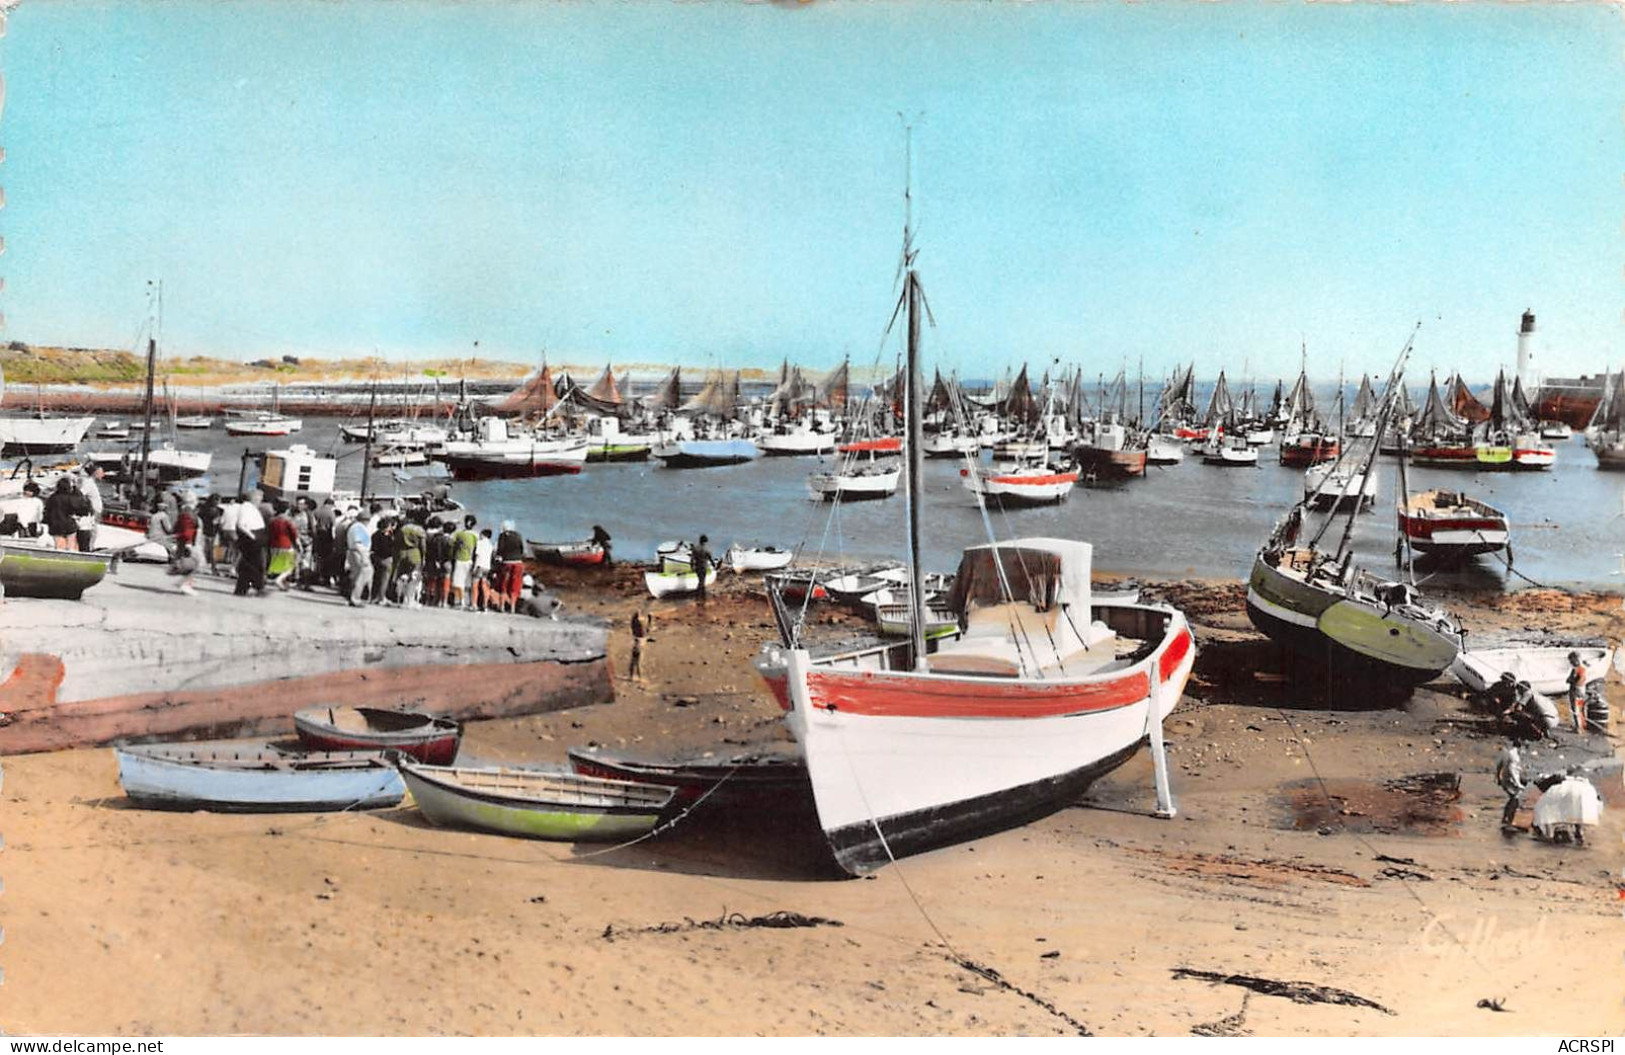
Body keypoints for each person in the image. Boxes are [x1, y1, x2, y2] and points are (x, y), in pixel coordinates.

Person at [233, 494, 268, 596]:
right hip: (251, 539)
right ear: (254, 498)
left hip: (254, 537)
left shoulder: (249, 508)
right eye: (259, 499)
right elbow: (241, 524)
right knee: (254, 564)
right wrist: (252, 536)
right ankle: (257, 587)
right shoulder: (246, 508)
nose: (260, 501)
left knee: (250, 565)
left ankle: (243, 588)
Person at [44, 477, 90, 550]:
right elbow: (82, 509)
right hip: (68, 524)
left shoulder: (52, 498)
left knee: (59, 546)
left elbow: (47, 512)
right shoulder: (71, 498)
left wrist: (47, 521)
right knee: (71, 545)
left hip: (55, 524)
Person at [267, 501, 300, 590]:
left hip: (273, 545)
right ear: (287, 510)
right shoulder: (288, 520)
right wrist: (298, 545)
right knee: (290, 566)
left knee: (279, 565)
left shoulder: (272, 520)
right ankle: (279, 579)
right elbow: (294, 534)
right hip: (286, 545)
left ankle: (283, 584)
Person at [394, 516, 425, 608]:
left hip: (402, 552)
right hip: (414, 552)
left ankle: (402, 598)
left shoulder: (402, 529)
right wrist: (423, 556)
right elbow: (423, 545)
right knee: (414, 577)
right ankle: (410, 599)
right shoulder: (419, 530)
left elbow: (396, 542)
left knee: (403, 575)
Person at [495, 520, 526, 614]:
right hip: (518, 563)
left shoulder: (503, 536)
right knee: (515, 586)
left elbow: (500, 549)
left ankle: (502, 606)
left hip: (507, 562)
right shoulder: (518, 535)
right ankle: (512, 607)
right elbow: (522, 549)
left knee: (504, 584)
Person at [173, 495, 201, 595]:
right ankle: (185, 585)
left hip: (184, 541)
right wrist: (188, 543)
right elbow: (187, 529)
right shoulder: (189, 513)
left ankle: (183, 583)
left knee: (190, 564)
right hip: (187, 542)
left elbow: (177, 527)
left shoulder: (184, 511)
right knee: (192, 564)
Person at [345, 508, 373, 607]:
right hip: (359, 553)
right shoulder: (359, 528)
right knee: (363, 576)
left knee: (356, 576)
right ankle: (356, 598)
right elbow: (359, 543)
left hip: (353, 552)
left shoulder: (354, 527)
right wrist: (364, 557)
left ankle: (352, 596)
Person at [1494, 742, 1525, 828]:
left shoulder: (1506, 752)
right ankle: (1509, 820)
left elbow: (1499, 765)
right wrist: (1518, 783)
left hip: (1505, 778)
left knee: (1512, 799)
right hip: (1511, 780)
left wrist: (1497, 777)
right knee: (1515, 800)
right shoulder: (1515, 756)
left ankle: (1505, 818)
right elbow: (1512, 769)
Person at [450, 515, 479, 610]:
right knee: (467, 582)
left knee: (458, 581)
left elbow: (451, 542)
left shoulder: (459, 534)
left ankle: (460, 601)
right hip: (470, 560)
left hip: (459, 558)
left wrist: (454, 524)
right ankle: (467, 601)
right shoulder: (476, 535)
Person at [76, 465, 105, 553]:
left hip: (96, 510)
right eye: (101, 472)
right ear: (95, 473)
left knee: (94, 530)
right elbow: (81, 494)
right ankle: (89, 548)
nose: (103, 474)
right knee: (93, 531)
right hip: (93, 510)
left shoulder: (91, 482)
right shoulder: (88, 483)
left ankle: (90, 547)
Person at [425, 521, 455, 607]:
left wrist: (436, 560)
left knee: (434, 581)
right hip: (446, 562)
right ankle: (444, 601)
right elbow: (450, 554)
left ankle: (432, 600)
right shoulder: (450, 540)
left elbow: (433, 550)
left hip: (435, 561)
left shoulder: (436, 538)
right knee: (446, 582)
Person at [371, 514, 399, 604]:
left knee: (376, 578)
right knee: (385, 580)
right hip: (386, 559)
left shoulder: (375, 534)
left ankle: (374, 597)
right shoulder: (387, 537)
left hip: (376, 558)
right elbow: (388, 549)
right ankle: (381, 597)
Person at [1565, 652, 1588, 734]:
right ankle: (1582, 725)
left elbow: (1570, 680)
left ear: (1575, 659)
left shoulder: (1576, 669)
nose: (1571, 663)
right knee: (1581, 707)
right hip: (1582, 689)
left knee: (1575, 708)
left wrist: (1571, 680)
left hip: (1575, 689)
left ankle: (1578, 728)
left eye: (1571, 661)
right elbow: (1582, 679)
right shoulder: (1584, 668)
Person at [472, 527, 495, 612]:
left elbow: (478, 555)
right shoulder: (490, 545)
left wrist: (474, 567)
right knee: (484, 586)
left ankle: (474, 604)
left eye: (481, 534)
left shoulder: (480, 543)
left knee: (475, 585)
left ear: (484, 535)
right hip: (487, 567)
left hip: (479, 565)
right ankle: (485, 605)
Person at [691, 534, 712, 604]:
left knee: (701, 580)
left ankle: (702, 596)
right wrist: (714, 565)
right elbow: (710, 559)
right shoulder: (707, 549)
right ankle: (698, 597)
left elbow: (692, 559)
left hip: (697, 567)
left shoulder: (695, 548)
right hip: (704, 567)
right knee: (701, 582)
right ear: (705, 541)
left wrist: (692, 566)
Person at [628, 610, 648, 683]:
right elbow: (646, 629)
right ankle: (640, 677)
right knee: (638, 661)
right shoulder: (640, 624)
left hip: (636, 641)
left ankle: (631, 676)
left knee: (634, 660)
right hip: (640, 642)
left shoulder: (634, 626)